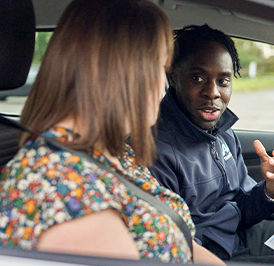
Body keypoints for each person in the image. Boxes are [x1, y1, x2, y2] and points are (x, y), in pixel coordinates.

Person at [0, 1, 226, 265]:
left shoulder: (116, 153)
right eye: (160, 70)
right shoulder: (65, 187)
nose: (163, 86)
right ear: (127, 72)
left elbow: (184, 244)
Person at [149, 24, 274, 264]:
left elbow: (240, 208)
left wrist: (270, 191)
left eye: (223, 80)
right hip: (212, 256)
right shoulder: (155, 151)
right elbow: (175, 251)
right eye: (197, 78)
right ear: (173, 76)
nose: (212, 92)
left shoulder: (222, 132)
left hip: (239, 237)